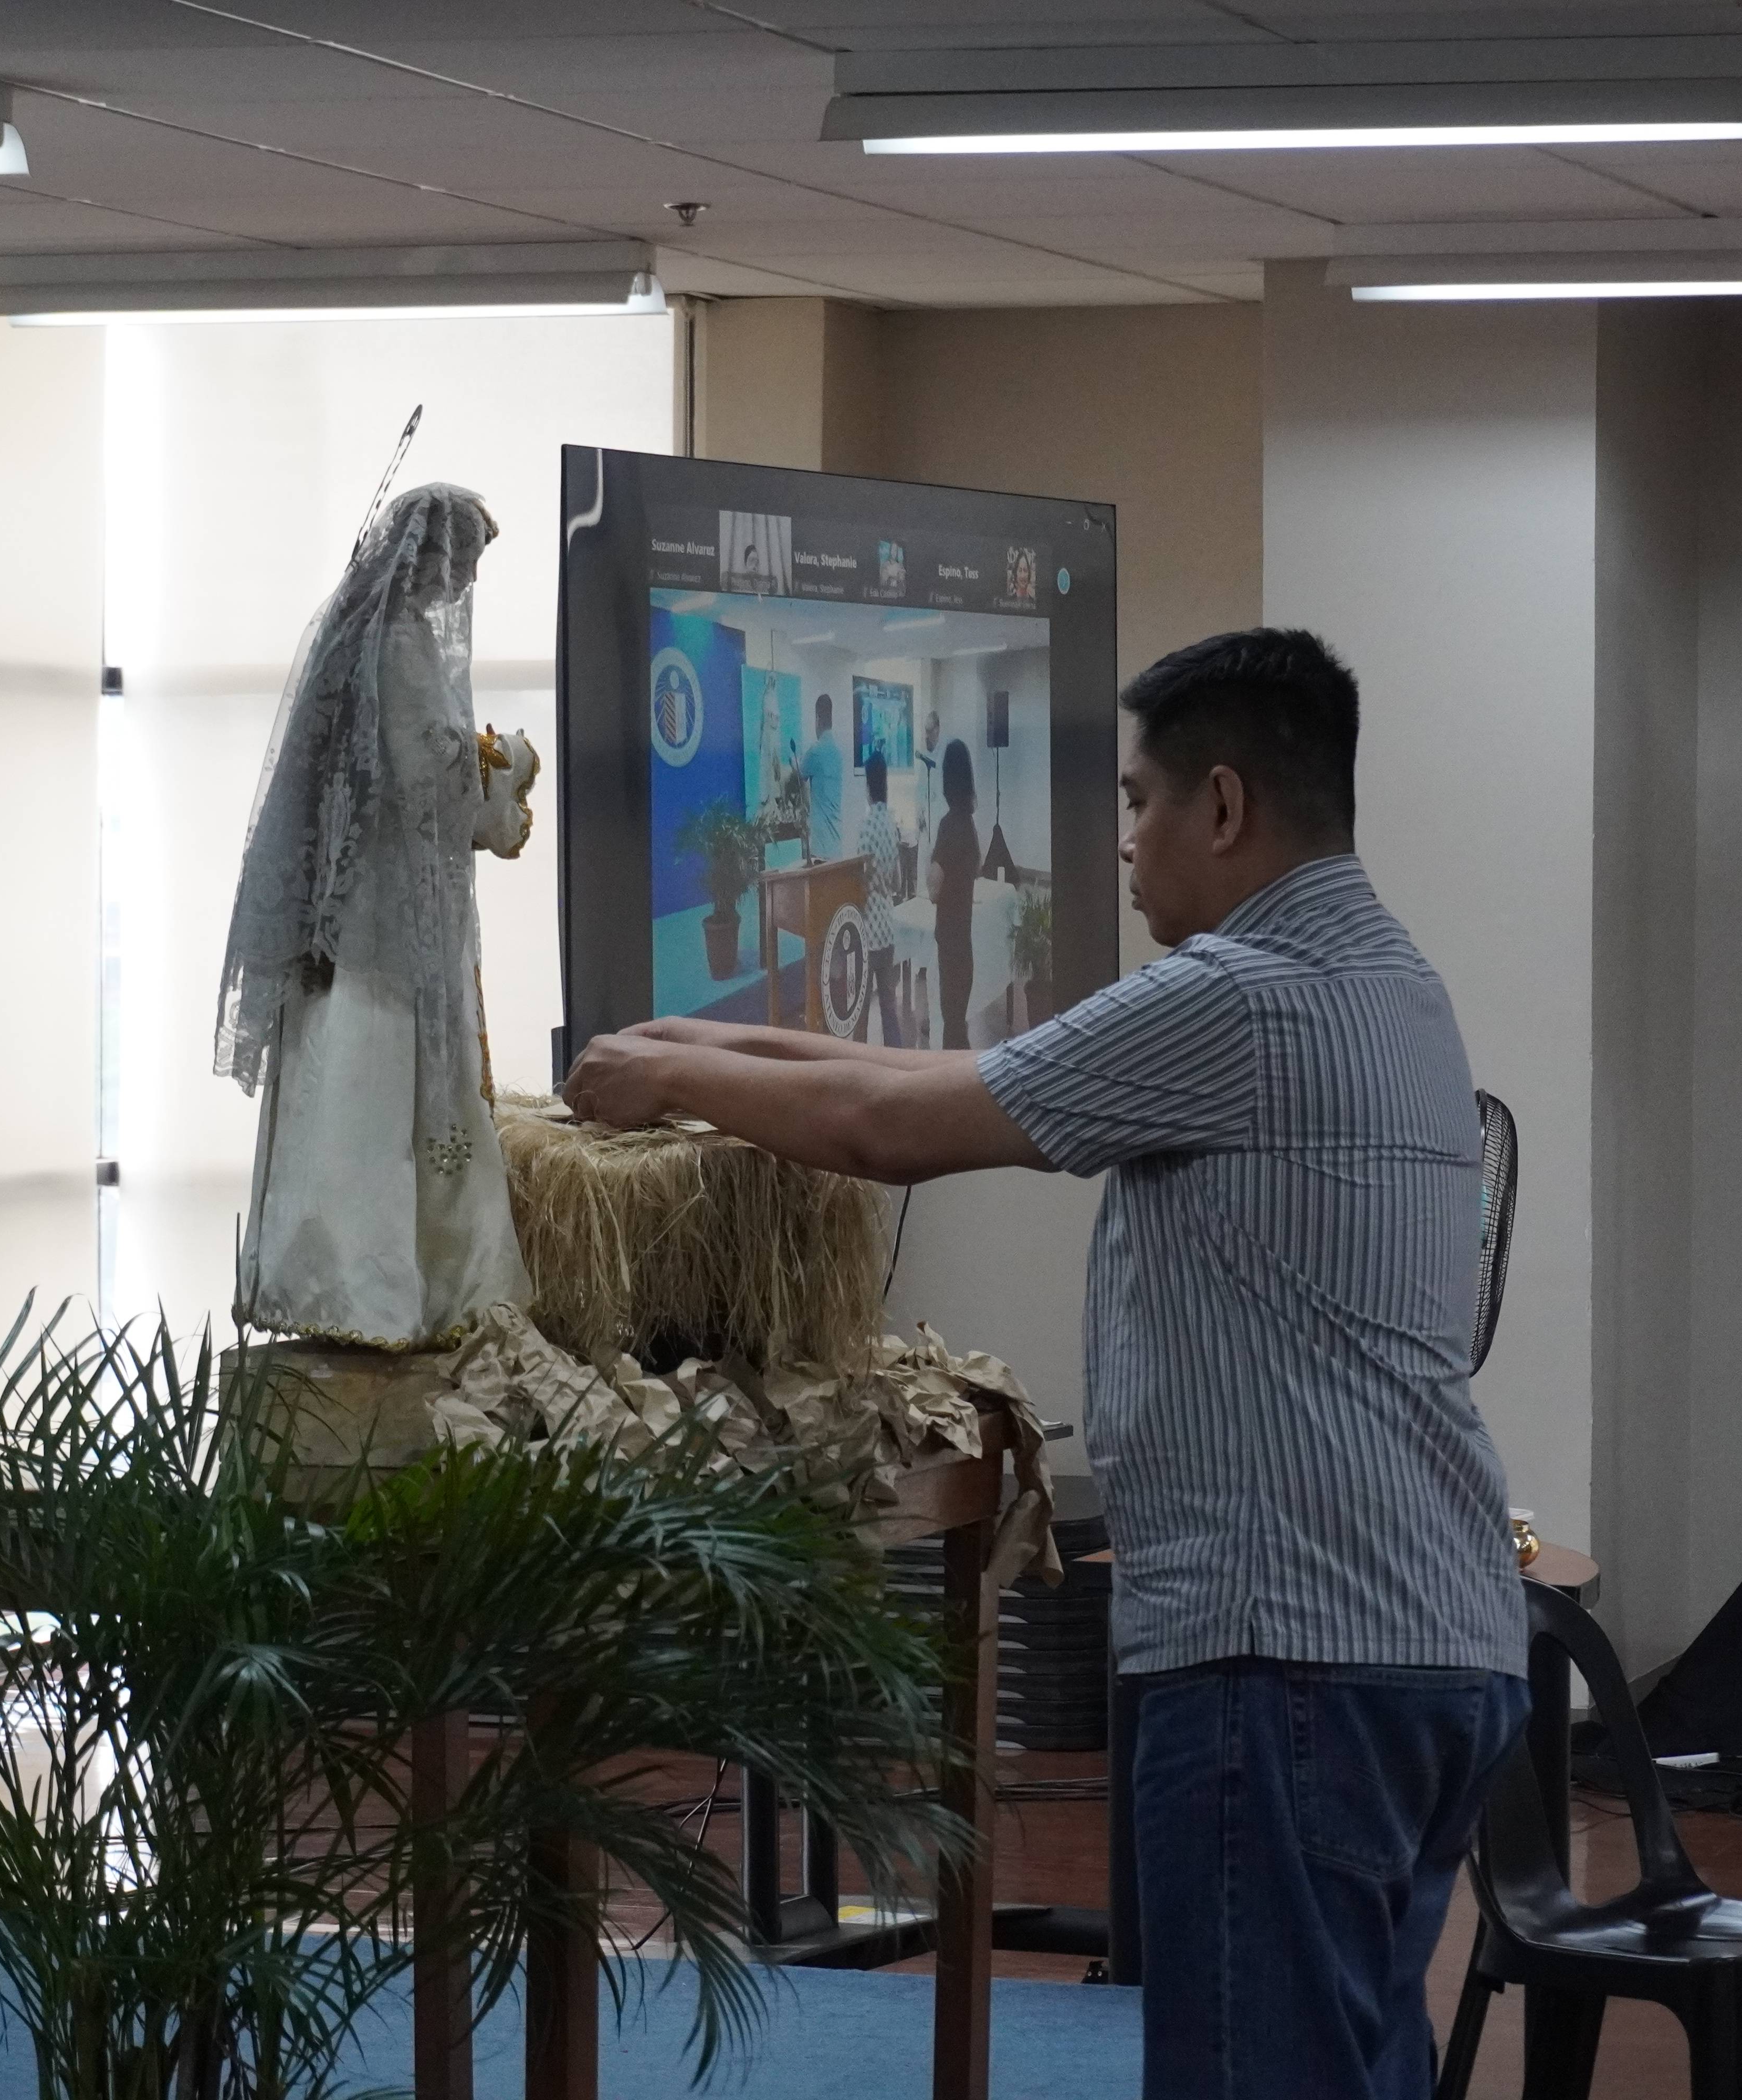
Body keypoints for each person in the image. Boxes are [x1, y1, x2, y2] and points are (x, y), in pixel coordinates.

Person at [561, 627, 1528, 2099]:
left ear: (1223, 804)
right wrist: (713, 1041)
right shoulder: (1390, 981)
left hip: (1284, 1655)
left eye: (1138, 801)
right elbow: (957, 1079)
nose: (1123, 842)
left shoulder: (1235, 996)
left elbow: (895, 1132)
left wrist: (671, 1079)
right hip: (1427, 1643)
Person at [215, 484, 538, 1347]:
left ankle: (347, 1286)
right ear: (431, 559)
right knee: (374, 1096)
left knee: (351, 1095)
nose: (467, 581)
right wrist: (502, 764)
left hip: (364, 910)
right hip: (381, 925)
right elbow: (421, 770)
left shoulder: (363, 633)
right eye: (464, 562)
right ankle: (371, 1294)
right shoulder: (398, 643)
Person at [929, 737, 979, 1051]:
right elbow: (975, 867)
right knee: (958, 1024)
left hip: (949, 940)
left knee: (952, 1028)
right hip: (965, 941)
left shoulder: (948, 826)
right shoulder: (970, 826)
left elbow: (934, 890)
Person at [857, 745, 905, 1046]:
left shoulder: (867, 827)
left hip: (868, 930)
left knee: (860, 1009)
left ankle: (858, 1064)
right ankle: (895, 1058)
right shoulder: (891, 823)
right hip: (888, 925)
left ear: (868, 785)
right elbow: (898, 882)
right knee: (889, 1007)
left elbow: (860, 884)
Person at [799, 689, 845, 861]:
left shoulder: (815, 751)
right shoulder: (838, 754)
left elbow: (799, 775)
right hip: (837, 846)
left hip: (820, 847)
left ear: (817, 719)